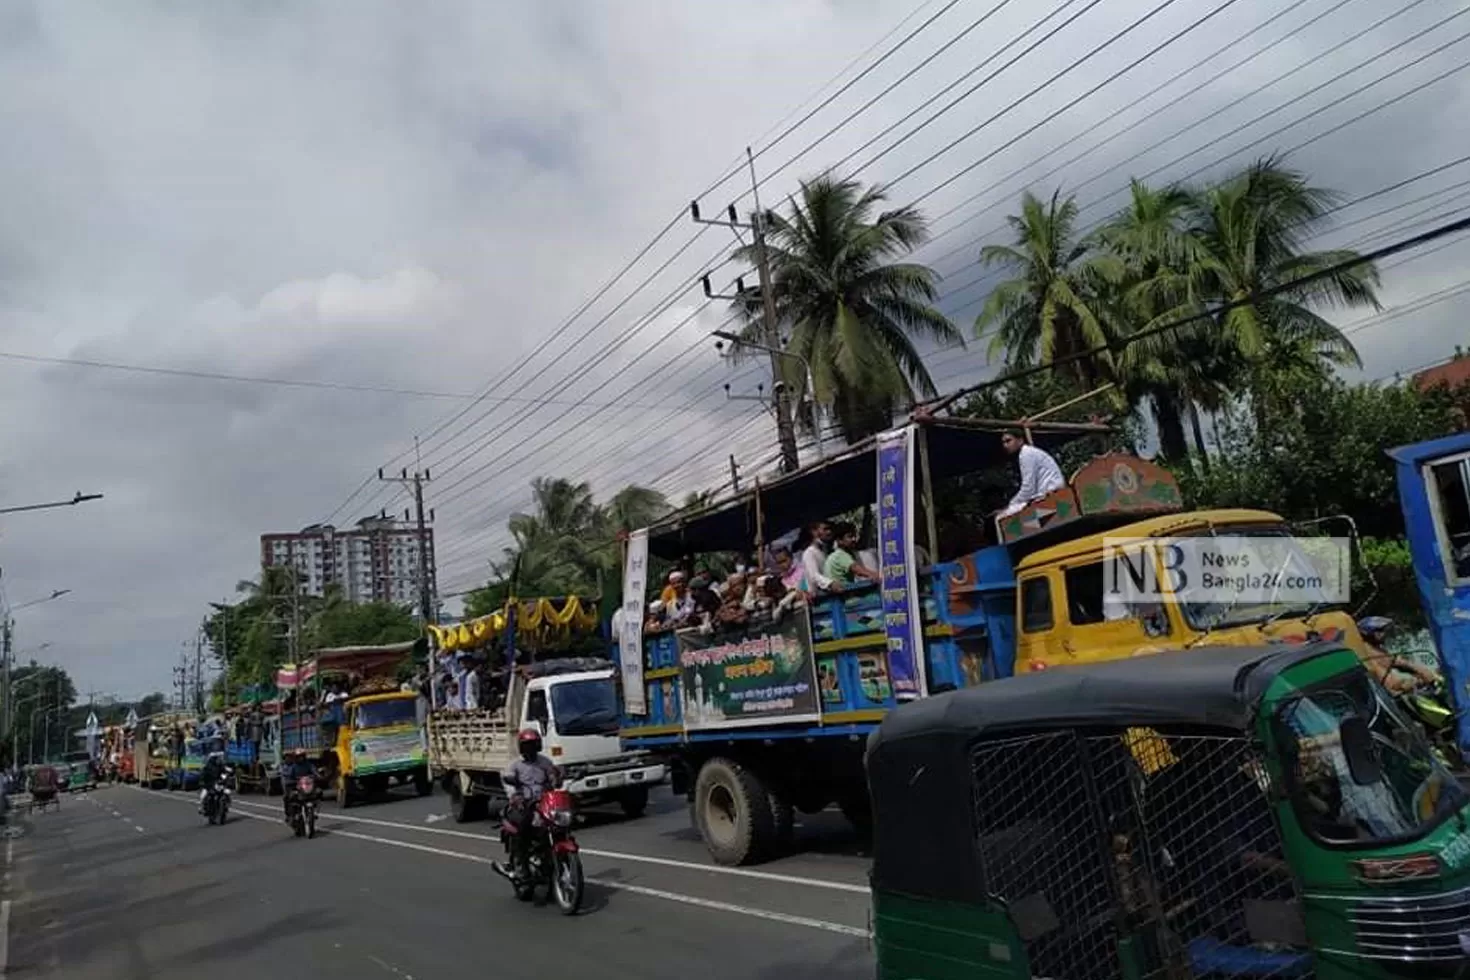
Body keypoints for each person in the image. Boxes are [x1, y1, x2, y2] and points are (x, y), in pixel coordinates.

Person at [500, 728, 562, 880]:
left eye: (533, 745)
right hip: (523, 805)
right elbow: (508, 784)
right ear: (521, 747)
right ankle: (521, 865)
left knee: (560, 822)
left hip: (543, 803)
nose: (530, 749)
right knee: (522, 826)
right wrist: (516, 797)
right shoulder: (514, 765)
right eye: (527, 745)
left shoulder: (545, 762)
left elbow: (553, 777)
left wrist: (557, 777)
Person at [1358, 616, 1439, 694]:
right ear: (1368, 634)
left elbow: (1401, 663)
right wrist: (1417, 681)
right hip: (1395, 699)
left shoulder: (1377, 648)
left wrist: (1426, 672)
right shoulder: (1369, 654)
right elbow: (1392, 684)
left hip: (1404, 689)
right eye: (1380, 630)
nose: (1384, 633)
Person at [996, 428, 1066, 519]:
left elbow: (1028, 488)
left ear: (1020, 440)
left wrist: (1011, 504)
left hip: (1050, 491)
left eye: (1008, 441)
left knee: (1000, 517)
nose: (1005, 445)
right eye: (1003, 443)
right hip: (1047, 490)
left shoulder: (1026, 454)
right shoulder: (1027, 453)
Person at [279, 749, 318, 824]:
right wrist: (290, 780)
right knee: (289, 797)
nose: (301, 758)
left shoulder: (308, 764)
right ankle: (291, 815)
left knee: (318, 792)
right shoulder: (292, 766)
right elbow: (289, 775)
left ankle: (314, 810)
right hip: (296, 786)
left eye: (302, 756)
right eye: (299, 757)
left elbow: (314, 771)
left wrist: (318, 776)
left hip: (306, 786)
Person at [801, 521, 840, 594]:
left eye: (830, 529)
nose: (829, 532)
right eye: (825, 529)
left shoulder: (828, 550)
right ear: (814, 532)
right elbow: (814, 576)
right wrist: (830, 583)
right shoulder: (809, 553)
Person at [197, 742, 227, 814]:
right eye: (215, 758)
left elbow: (224, 771)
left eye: (218, 758)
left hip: (217, 783)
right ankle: (201, 807)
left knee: (226, 791)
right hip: (209, 784)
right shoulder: (207, 766)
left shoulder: (220, 765)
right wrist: (202, 780)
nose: (217, 759)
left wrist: (226, 775)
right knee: (203, 796)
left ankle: (226, 805)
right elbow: (203, 774)